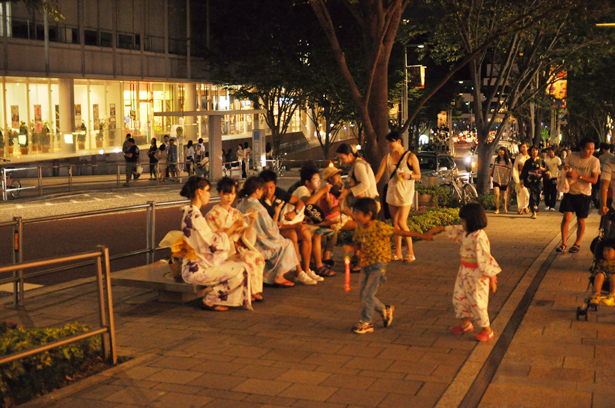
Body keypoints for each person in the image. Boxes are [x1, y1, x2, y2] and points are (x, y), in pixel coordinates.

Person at [343, 198, 434, 334]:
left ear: (368, 214)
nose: (355, 216)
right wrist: (350, 248)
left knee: (368, 294)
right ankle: (384, 310)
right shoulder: (360, 229)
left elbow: (401, 232)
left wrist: (422, 236)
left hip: (379, 266)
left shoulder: (380, 227)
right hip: (366, 265)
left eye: (357, 213)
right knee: (364, 295)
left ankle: (366, 322)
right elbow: (359, 245)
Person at [178, 176, 261, 311]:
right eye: (207, 191)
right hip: (197, 267)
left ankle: (215, 298)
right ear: (199, 192)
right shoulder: (196, 216)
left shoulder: (192, 213)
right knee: (241, 270)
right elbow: (213, 244)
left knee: (243, 267)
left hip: (199, 263)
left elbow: (209, 240)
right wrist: (232, 228)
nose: (209, 195)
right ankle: (211, 298)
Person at [431, 203, 501, 342]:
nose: (462, 224)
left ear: (472, 220)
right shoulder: (468, 232)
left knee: (477, 301)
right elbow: (457, 230)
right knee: (459, 298)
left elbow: (486, 258)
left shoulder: (479, 237)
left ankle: (487, 330)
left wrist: (492, 278)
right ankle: (465, 323)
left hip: (477, 275)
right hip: (464, 271)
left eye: (464, 221)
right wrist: (440, 229)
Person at [205, 177, 265, 302]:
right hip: (223, 252)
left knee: (256, 256)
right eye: (226, 193)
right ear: (219, 194)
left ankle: (253, 290)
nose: (230, 197)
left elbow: (246, 237)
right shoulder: (212, 215)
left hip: (236, 248)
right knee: (248, 258)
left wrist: (252, 221)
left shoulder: (236, 213)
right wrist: (233, 227)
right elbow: (214, 240)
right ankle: (249, 291)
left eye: (232, 193)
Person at [259, 170, 322, 284]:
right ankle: (299, 272)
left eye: (272, 187)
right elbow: (269, 227)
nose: (269, 191)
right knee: (292, 234)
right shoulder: (259, 200)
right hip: (268, 232)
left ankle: (306, 269)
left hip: (280, 226)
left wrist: (295, 212)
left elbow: (300, 202)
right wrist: (293, 225)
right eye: (265, 188)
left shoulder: (278, 193)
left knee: (306, 233)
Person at [236, 177, 301, 287]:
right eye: (262, 189)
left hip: (244, 240)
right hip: (257, 243)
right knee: (287, 243)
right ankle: (278, 276)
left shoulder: (242, 203)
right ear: (257, 191)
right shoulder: (259, 208)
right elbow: (272, 231)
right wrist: (277, 214)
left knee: (282, 241)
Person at [374, 131, 421, 262]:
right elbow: (378, 176)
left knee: (402, 222)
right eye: (388, 143)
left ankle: (411, 252)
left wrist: (409, 176)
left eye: (391, 142)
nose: (389, 145)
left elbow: (418, 175)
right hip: (392, 192)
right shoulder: (387, 158)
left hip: (405, 193)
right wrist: (370, 187)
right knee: (395, 223)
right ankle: (398, 252)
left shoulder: (410, 157)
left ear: (399, 142)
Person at [557, 137, 601, 253]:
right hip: (570, 191)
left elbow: (595, 180)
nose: (590, 151)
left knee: (581, 220)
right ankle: (564, 244)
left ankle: (577, 243)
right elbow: (562, 165)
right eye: (588, 149)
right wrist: (564, 167)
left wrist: (579, 176)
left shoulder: (594, 161)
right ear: (581, 148)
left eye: (592, 149)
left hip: (584, 194)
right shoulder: (573, 156)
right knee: (566, 217)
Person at [292, 164, 336, 278]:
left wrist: (324, 222)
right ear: (307, 182)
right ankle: (319, 265)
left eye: (319, 179)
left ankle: (315, 262)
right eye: (316, 179)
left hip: (298, 222)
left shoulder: (308, 191)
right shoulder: (302, 189)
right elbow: (306, 204)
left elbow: (308, 214)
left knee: (322, 230)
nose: (319, 182)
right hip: (291, 224)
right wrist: (322, 191)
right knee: (317, 233)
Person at [319, 165, 357, 265]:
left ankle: (357, 254)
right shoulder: (327, 193)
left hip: (339, 217)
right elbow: (331, 211)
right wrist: (341, 202)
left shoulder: (335, 190)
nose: (340, 177)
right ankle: (356, 255)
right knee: (358, 227)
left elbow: (345, 208)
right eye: (337, 175)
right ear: (330, 178)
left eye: (340, 175)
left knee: (359, 225)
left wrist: (354, 217)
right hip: (332, 219)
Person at [520, 146, 547, 219]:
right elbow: (524, 171)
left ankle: (536, 206)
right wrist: (522, 179)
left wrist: (543, 169)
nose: (534, 152)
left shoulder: (541, 160)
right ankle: (534, 212)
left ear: (538, 151)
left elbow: (546, 169)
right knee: (533, 194)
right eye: (533, 150)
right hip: (531, 180)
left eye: (536, 150)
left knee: (538, 194)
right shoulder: (528, 161)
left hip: (539, 180)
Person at [589, 239, 615, 307]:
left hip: (613, 276)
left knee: (614, 277)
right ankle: (596, 294)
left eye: (609, 250)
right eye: (604, 250)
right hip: (603, 276)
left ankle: (612, 295)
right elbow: (597, 269)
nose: (606, 253)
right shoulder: (601, 261)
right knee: (599, 275)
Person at [490, 146, 512, 214]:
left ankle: (504, 206)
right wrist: (489, 177)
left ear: (505, 152)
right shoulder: (496, 159)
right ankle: (497, 209)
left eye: (502, 150)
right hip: (496, 179)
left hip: (504, 180)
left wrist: (509, 180)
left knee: (503, 197)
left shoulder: (508, 161)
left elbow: (510, 171)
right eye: (499, 150)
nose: (500, 151)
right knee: (496, 194)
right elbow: (493, 168)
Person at [512, 142, 530, 214]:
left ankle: (526, 206)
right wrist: (516, 178)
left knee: (526, 193)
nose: (523, 148)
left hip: (527, 177)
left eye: (524, 147)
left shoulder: (529, 157)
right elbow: (515, 168)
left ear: (527, 148)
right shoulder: (518, 157)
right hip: (519, 175)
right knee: (519, 193)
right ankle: (520, 207)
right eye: (522, 147)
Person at [543, 146, 561, 211]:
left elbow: (560, 167)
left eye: (551, 150)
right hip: (546, 177)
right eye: (548, 151)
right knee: (546, 191)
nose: (549, 152)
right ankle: (547, 204)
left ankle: (552, 205)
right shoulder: (546, 159)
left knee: (553, 192)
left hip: (554, 177)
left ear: (554, 151)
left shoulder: (557, 159)